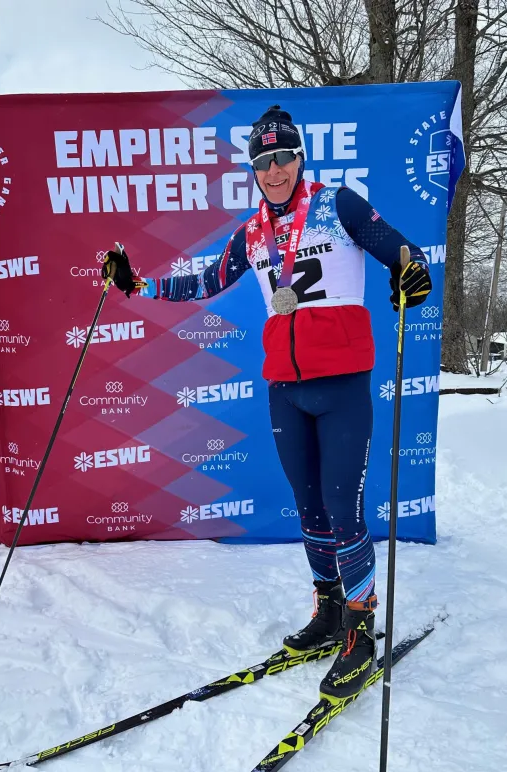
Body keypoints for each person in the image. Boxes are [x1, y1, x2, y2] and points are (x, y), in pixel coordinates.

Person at [102, 105, 431, 703]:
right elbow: (203, 282)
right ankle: (329, 613)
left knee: (342, 506)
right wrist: (136, 284)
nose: (274, 170)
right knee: (307, 507)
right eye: (262, 161)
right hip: (286, 388)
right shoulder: (251, 233)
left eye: (282, 157)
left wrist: (413, 274)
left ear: (299, 158)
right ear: (254, 170)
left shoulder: (339, 204)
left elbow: (404, 252)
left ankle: (360, 631)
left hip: (342, 387)